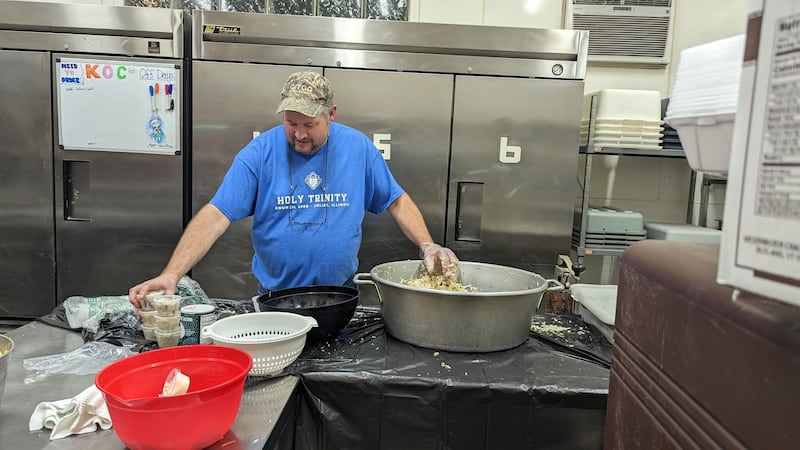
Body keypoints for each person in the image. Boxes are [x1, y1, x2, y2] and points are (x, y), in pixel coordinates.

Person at [129, 71, 459, 308]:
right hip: (275, 299)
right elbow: (216, 214)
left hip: (339, 298)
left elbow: (396, 200)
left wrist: (427, 244)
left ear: (331, 114)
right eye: (291, 123)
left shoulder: (358, 149)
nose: (299, 134)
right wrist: (172, 274)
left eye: (309, 125)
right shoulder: (259, 154)